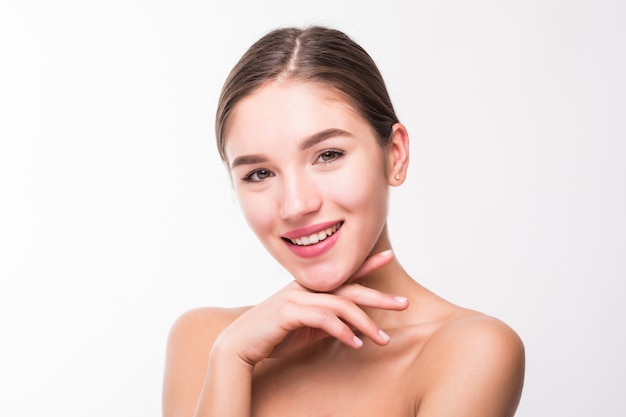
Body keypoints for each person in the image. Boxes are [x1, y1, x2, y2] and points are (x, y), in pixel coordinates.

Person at [162, 26, 525, 417]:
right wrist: (232, 360)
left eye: (328, 155)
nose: (296, 205)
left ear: (396, 155)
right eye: (259, 174)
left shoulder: (469, 351)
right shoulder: (209, 343)